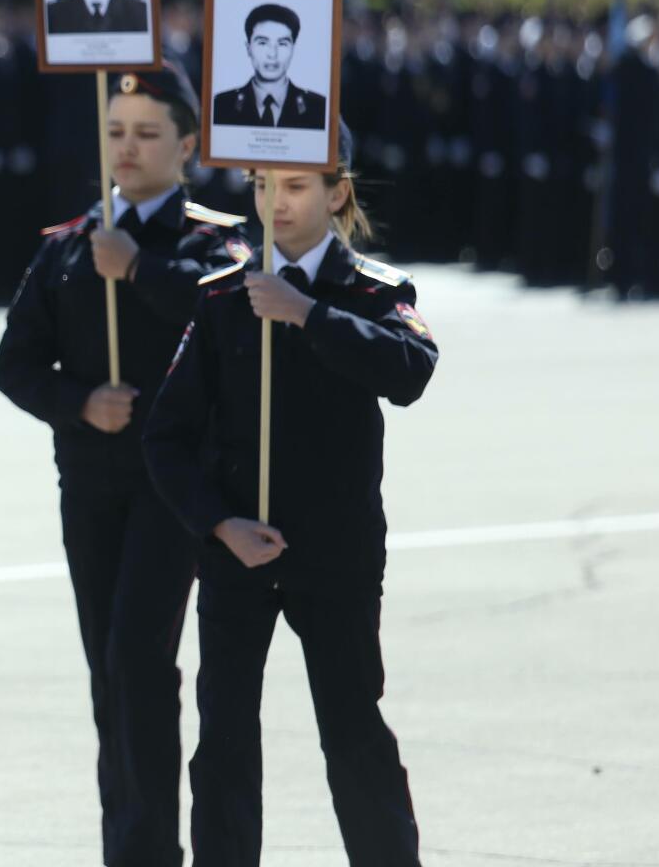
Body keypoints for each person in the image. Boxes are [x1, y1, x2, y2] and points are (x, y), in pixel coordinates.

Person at [142, 127, 438, 865]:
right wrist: (219, 524)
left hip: (336, 557)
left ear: (338, 194)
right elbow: (166, 439)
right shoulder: (223, 297)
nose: (275, 201)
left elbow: (410, 369)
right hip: (239, 552)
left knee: (352, 731)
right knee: (224, 740)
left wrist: (307, 313)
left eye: (296, 185)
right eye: (261, 184)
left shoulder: (373, 291)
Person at [0, 64, 249, 867]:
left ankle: (149, 851)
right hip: (90, 482)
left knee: (139, 659)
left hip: (174, 490)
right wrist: (78, 402)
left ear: (188, 146)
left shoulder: (213, 243)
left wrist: (137, 267)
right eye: (115, 132)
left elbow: (230, 315)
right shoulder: (71, 244)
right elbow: (14, 364)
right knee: (110, 670)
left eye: (146, 134)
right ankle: (129, 843)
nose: (127, 148)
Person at [211, 3, 327, 129]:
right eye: (262, 43)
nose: (272, 54)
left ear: (293, 48)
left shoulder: (319, 108)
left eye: (282, 43)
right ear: (248, 48)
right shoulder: (220, 106)